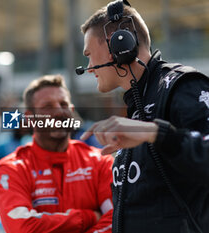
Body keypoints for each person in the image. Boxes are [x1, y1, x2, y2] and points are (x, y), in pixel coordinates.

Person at [79, 0, 209, 232]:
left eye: (89, 55)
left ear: (120, 46)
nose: (88, 68)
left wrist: (156, 133)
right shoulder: (136, 106)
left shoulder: (182, 86)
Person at [0, 74, 114, 233]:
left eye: (63, 104)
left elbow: (117, 219)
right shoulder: (10, 169)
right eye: (47, 106)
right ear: (30, 118)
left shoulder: (100, 161)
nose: (58, 112)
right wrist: (87, 217)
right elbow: (23, 228)